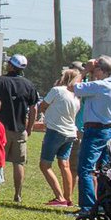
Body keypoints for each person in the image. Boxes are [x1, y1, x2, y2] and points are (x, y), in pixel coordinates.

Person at [72, 55, 111, 212]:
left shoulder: (99, 85)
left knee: (85, 169)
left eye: (95, 69)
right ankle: (104, 203)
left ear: (101, 70)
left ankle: (88, 207)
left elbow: (73, 86)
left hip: (94, 131)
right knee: (105, 170)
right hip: (108, 130)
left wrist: (85, 70)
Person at [0, 53, 39, 203]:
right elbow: (34, 109)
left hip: (0, 129)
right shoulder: (29, 84)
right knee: (19, 163)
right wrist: (29, 127)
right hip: (19, 129)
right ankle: (17, 194)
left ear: (11, 66)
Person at [37, 67, 82, 207]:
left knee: (45, 165)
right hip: (70, 133)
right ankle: (68, 198)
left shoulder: (57, 90)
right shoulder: (76, 97)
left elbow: (43, 105)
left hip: (55, 131)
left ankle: (59, 197)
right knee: (65, 165)